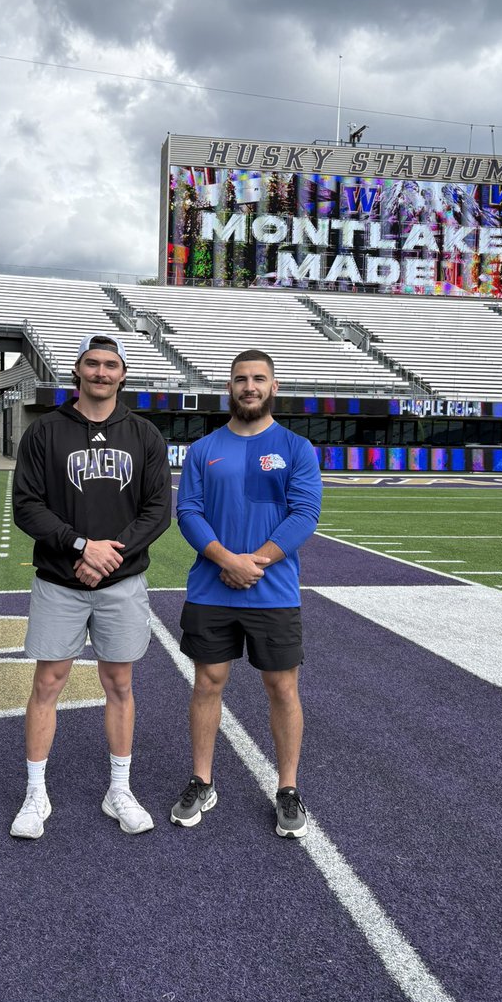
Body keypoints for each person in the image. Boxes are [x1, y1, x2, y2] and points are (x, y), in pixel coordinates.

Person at [11, 333, 171, 839]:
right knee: (48, 683)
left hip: (120, 581)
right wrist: (83, 547)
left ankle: (118, 790)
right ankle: (36, 793)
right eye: (92, 364)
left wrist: (107, 556)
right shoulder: (45, 432)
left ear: (123, 374)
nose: (101, 372)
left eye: (111, 365)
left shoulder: (144, 434)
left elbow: (156, 512)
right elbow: (27, 506)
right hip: (61, 580)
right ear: (77, 370)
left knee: (119, 684)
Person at [171, 349, 322, 838]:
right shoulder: (203, 449)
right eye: (240, 379)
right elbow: (189, 512)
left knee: (282, 688)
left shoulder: (296, 448)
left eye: (259, 379)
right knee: (207, 682)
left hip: (273, 591)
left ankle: (289, 788)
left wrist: (254, 562)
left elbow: (304, 515)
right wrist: (226, 560)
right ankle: (202, 780)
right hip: (212, 589)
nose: (249, 387)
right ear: (229, 387)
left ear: (274, 386)